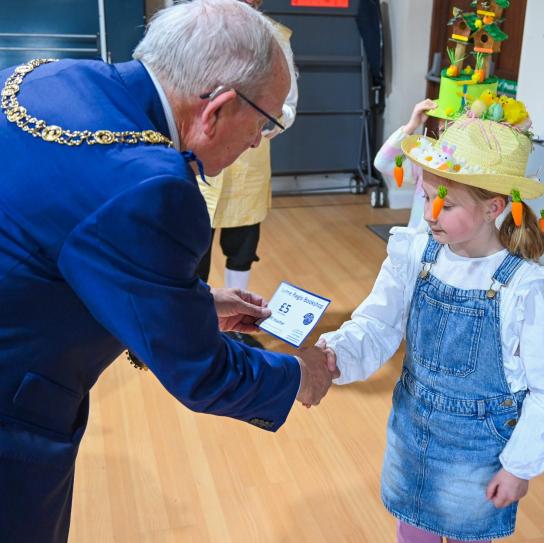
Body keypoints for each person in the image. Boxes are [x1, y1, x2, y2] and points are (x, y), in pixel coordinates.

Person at [0, 1, 336, 541]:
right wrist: (299, 374)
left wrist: (192, 302)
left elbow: (63, 242)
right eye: (263, 124)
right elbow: (199, 372)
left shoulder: (42, 77)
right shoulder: (152, 187)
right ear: (217, 109)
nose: (257, 142)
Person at [319, 103, 544, 542]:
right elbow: (377, 323)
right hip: (410, 432)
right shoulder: (413, 254)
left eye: (447, 204)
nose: (430, 214)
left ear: (493, 207)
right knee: (411, 531)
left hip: (478, 455)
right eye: (426, 198)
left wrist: (519, 466)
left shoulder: (528, 289)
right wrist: (336, 355)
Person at [196, 0, 298, 349]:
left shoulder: (277, 38)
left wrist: (265, 119)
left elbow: (289, 104)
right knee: (194, 242)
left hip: (250, 153)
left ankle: (236, 323)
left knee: (242, 242)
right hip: (201, 149)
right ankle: (193, 320)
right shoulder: (202, 27)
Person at [374, 99, 437, 229]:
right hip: (417, 239)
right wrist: (411, 126)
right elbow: (382, 163)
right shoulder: (426, 164)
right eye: (442, 129)